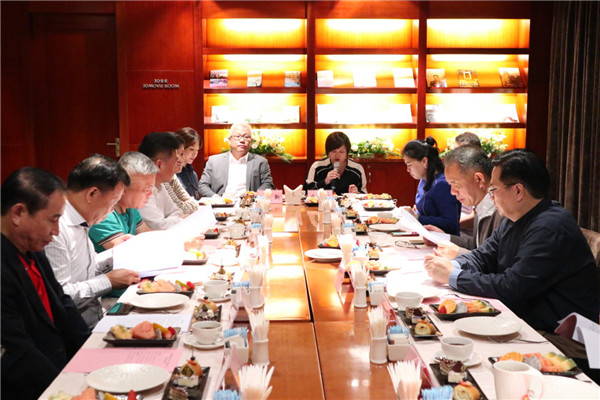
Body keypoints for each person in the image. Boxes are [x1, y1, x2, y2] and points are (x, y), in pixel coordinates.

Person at [423, 149, 599, 333]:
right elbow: (483, 256)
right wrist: (450, 266)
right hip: (526, 318)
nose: (490, 196)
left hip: (559, 335)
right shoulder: (513, 219)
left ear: (518, 191)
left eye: (493, 189)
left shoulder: (550, 227)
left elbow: (511, 287)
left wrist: (453, 276)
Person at [1, 168, 91, 400]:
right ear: (18, 213)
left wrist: (92, 356)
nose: (56, 231)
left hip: (59, 367)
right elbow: (17, 348)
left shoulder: (32, 247)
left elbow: (62, 303)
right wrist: (65, 389)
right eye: (53, 219)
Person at [45, 155, 140, 328]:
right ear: (92, 194)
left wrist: (115, 253)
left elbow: (84, 270)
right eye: (113, 202)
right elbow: (60, 294)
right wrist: (108, 281)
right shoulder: (56, 229)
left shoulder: (81, 219)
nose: (111, 211)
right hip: (74, 329)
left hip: (95, 316)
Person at [425, 145, 504, 257]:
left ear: (479, 179)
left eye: (456, 185)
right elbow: (476, 246)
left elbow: (495, 262)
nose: (452, 192)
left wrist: (458, 253)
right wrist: (442, 237)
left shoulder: (502, 212)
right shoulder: (481, 205)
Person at [88, 151, 157, 252]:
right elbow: (125, 251)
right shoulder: (102, 213)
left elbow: (148, 235)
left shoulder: (130, 207)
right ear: (124, 188)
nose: (150, 194)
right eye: (146, 190)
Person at [402, 137, 461, 235]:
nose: (408, 170)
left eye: (409, 165)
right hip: (426, 234)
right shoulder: (424, 179)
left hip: (443, 239)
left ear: (424, 161)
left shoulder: (443, 184)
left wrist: (417, 217)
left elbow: (450, 223)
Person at [198, 122, 274, 197]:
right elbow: (202, 185)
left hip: (249, 203)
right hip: (221, 203)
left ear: (251, 141)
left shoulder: (260, 162)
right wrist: (215, 198)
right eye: (237, 136)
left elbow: (268, 184)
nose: (242, 140)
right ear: (229, 140)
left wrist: (254, 195)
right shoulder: (214, 161)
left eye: (246, 137)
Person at [138, 131, 186, 229]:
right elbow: (159, 226)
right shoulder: (141, 188)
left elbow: (177, 211)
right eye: (174, 162)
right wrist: (180, 219)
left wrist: (173, 220)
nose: (176, 166)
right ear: (159, 165)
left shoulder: (160, 183)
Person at [176, 127, 202, 199]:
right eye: (191, 149)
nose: (194, 154)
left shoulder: (193, 175)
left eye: (197, 150)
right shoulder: (171, 175)